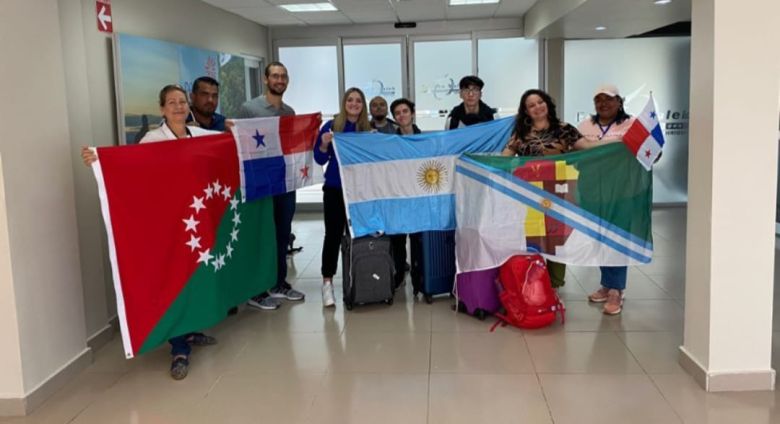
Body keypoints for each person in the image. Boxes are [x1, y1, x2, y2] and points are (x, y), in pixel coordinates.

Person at [81, 84, 218, 380]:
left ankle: (191, 329)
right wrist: (101, 159)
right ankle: (179, 347)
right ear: (162, 109)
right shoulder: (153, 139)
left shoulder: (199, 135)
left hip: (196, 217)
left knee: (195, 275)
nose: (179, 107)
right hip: (170, 222)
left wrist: (237, 130)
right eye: (172, 102)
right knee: (175, 277)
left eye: (182, 101)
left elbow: (227, 145)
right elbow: (132, 166)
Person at [501, 88, 600, 289]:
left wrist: (620, 141)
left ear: (547, 104)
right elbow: (505, 158)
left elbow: (588, 147)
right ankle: (535, 281)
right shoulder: (521, 134)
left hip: (560, 192)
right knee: (533, 235)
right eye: (531, 105)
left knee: (556, 236)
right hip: (529, 194)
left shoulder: (564, 129)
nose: (537, 107)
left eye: (540, 102)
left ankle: (554, 284)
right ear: (526, 112)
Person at [237, 62, 305, 310]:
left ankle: (278, 282)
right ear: (265, 79)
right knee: (260, 233)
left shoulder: (289, 111)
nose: (279, 80)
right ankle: (256, 289)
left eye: (283, 76)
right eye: (275, 76)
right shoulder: (249, 108)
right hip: (259, 183)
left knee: (281, 232)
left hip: (284, 181)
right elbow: (239, 143)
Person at [577, 84, 635, 315]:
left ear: (619, 102)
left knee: (616, 238)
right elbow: (575, 153)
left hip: (622, 190)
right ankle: (606, 284)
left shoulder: (631, 125)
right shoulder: (585, 126)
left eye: (609, 99)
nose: (603, 104)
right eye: (598, 100)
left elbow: (650, 151)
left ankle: (616, 290)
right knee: (599, 237)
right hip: (592, 189)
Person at [313, 87, 373, 307]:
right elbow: (319, 159)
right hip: (336, 189)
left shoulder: (367, 129)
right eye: (350, 100)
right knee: (333, 236)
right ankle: (327, 283)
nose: (354, 104)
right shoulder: (331, 126)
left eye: (358, 100)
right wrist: (323, 144)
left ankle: (360, 279)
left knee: (360, 236)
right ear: (344, 102)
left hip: (360, 191)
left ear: (362, 105)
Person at [387, 98, 421, 288]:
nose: (402, 115)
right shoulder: (391, 142)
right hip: (398, 196)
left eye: (405, 111)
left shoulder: (425, 139)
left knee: (417, 239)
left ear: (412, 113)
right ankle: (398, 273)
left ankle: (419, 275)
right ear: (394, 118)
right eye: (397, 113)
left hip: (418, 196)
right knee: (398, 239)